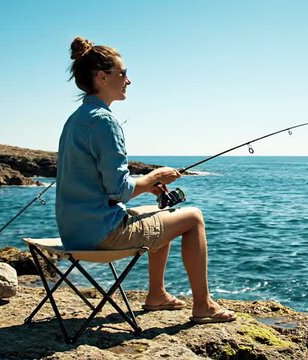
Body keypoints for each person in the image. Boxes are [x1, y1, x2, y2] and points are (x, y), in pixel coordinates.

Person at [55, 36, 236, 324]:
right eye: (123, 73)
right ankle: (203, 306)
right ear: (102, 77)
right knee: (194, 219)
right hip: (101, 235)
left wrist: (146, 185)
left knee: (159, 215)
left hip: (73, 232)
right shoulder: (104, 120)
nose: (128, 80)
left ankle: (157, 295)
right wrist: (153, 176)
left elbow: (103, 185)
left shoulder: (77, 118)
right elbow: (119, 189)